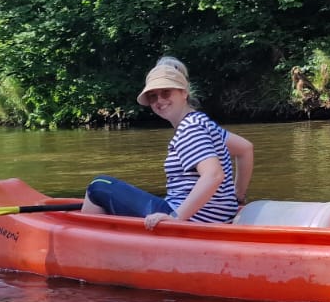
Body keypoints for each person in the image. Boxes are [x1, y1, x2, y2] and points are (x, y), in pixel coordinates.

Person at [82, 57, 255, 230]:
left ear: (184, 93)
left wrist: (176, 217)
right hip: (217, 217)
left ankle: (87, 246)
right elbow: (246, 148)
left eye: (166, 92)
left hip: (191, 221)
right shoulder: (202, 122)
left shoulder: (190, 128)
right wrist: (237, 197)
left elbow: (213, 175)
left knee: (99, 186)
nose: (159, 100)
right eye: (152, 96)